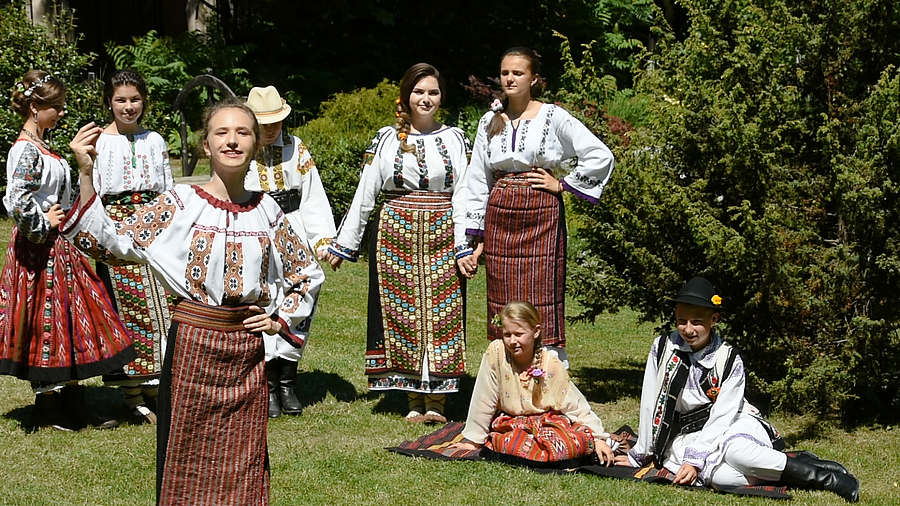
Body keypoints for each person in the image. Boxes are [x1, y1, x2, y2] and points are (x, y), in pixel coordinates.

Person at [61, 98, 325, 505]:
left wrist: (280, 322)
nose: (232, 141)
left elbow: (306, 273)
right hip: (192, 350)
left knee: (243, 459)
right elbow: (111, 241)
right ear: (207, 144)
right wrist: (85, 172)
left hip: (246, 355)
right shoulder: (180, 203)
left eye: (243, 132)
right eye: (222, 132)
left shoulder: (268, 210)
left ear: (255, 144)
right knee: (186, 457)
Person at [614, 277, 859, 502]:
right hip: (686, 435)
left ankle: (825, 478)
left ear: (714, 320)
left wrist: (694, 460)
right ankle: (797, 464)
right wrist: (641, 453)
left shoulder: (729, 359)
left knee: (738, 454)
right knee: (723, 479)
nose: (688, 329)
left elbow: (723, 414)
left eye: (697, 322)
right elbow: (650, 401)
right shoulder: (662, 348)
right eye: (681, 321)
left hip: (732, 423)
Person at [326, 63, 472, 423]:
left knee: (442, 313)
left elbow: (466, 194)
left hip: (443, 232)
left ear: (441, 97)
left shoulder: (456, 139)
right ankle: (412, 398)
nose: (426, 99)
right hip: (396, 233)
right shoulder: (387, 138)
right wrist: (344, 244)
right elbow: (366, 191)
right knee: (402, 313)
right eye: (419, 92)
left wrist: (464, 244)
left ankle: (437, 401)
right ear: (406, 96)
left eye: (433, 92)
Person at [0, 70, 136, 431]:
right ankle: (48, 404)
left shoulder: (42, 147)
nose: (61, 113)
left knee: (69, 317)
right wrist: (43, 222)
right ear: (35, 106)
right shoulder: (25, 149)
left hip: (58, 247)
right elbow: (16, 199)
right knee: (43, 320)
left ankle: (72, 398)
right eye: (56, 107)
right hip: (38, 249)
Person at [463, 47, 615, 367]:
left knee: (542, 294)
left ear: (533, 79)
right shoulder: (490, 120)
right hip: (501, 215)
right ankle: (505, 374)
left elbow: (599, 154)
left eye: (518, 73)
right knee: (504, 296)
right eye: (505, 73)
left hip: (541, 216)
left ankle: (547, 374)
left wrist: (563, 184)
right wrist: (474, 235)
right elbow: (477, 176)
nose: (510, 78)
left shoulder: (552, 116)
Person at [244, 85, 336, 418]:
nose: (270, 129)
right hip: (257, 227)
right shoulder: (242, 149)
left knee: (301, 295)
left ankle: (288, 379)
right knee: (266, 298)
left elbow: (312, 196)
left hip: (293, 226)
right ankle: (268, 383)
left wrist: (322, 238)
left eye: (275, 122)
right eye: (264, 123)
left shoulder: (296, 148)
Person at [93, 69, 175, 425]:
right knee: (127, 309)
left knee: (161, 307)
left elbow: (168, 187)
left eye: (135, 99)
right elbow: (94, 192)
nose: (129, 107)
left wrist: (168, 226)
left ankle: (155, 386)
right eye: (121, 100)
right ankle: (131, 394)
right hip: (116, 229)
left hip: (154, 227)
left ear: (144, 101)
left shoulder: (154, 140)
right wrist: (105, 233)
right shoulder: (100, 141)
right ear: (109, 102)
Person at [451, 301, 615, 465]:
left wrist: (598, 438)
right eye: (507, 335)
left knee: (567, 445)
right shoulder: (497, 353)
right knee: (512, 444)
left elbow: (575, 404)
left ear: (535, 332)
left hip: (548, 423)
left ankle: (551, 451)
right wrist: (474, 441)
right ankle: (539, 453)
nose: (512, 341)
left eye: (519, 334)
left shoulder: (550, 363)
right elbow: (483, 398)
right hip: (511, 424)